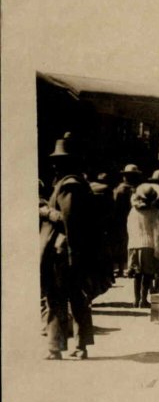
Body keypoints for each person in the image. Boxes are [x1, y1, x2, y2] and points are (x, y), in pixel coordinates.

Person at [39, 134, 97, 360]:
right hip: (73, 252)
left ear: (66, 163)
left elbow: (68, 219)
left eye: (59, 160)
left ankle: (57, 347)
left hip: (63, 252)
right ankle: (79, 346)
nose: (54, 164)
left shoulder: (68, 185)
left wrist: (45, 211)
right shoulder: (77, 183)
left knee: (57, 298)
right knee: (77, 299)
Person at [127, 183, 159, 308]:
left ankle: (135, 300)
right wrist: (158, 250)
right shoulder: (155, 212)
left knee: (137, 274)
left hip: (133, 245)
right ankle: (143, 299)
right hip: (148, 245)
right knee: (148, 274)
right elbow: (157, 232)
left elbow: (129, 229)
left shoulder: (133, 211)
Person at [111, 164, 142, 276]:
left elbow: (114, 206)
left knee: (120, 243)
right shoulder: (138, 189)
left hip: (121, 220)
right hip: (135, 220)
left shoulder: (119, 190)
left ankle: (121, 268)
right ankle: (132, 267)